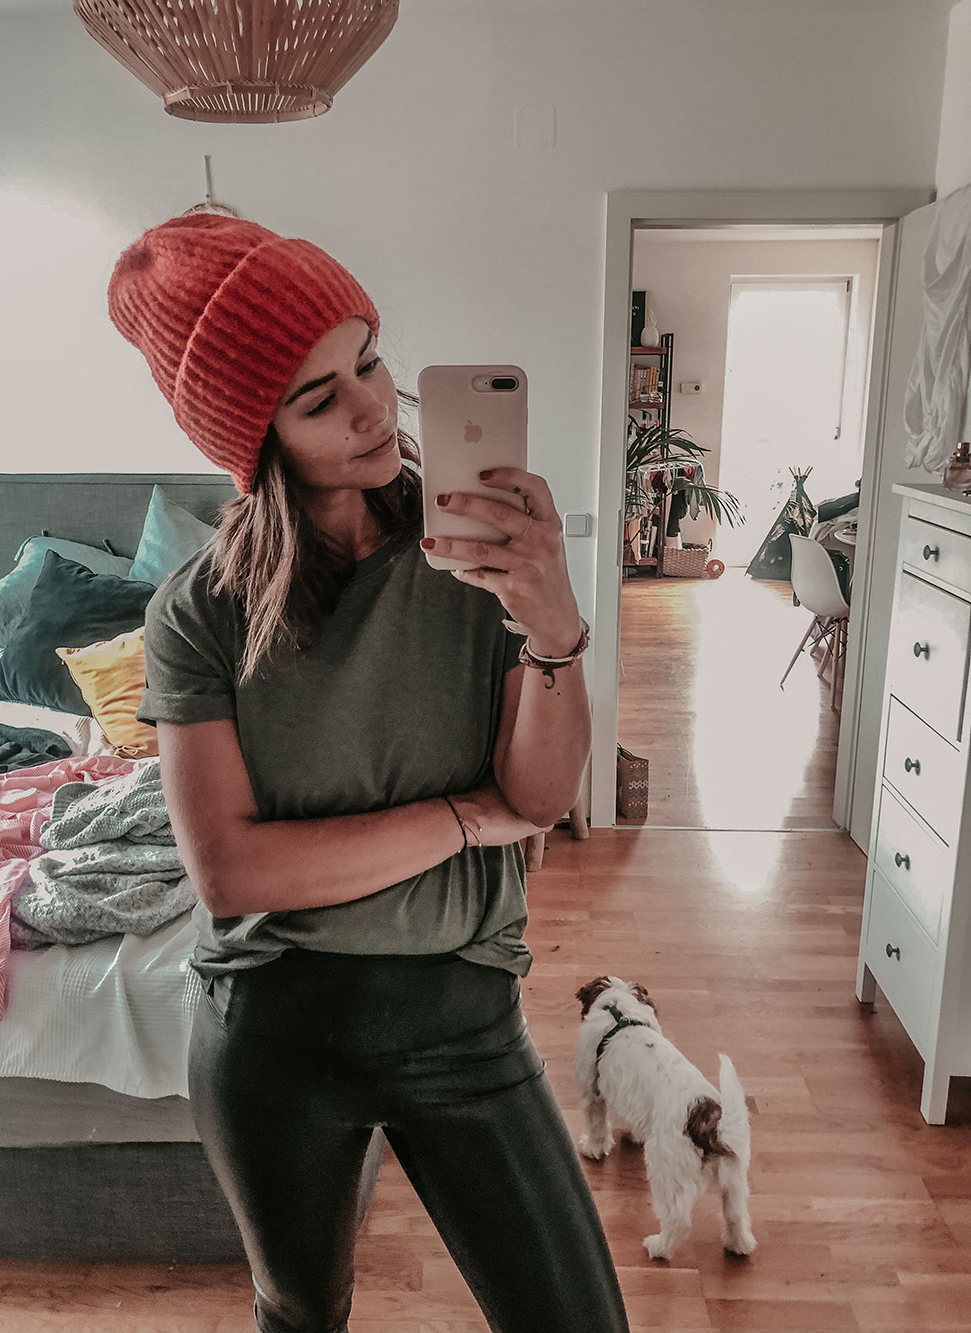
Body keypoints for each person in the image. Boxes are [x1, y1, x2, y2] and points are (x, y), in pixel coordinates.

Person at [109, 211, 629, 1333]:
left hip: (464, 1016)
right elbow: (232, 873)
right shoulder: (198, 613)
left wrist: (552, 626)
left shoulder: (478, 552)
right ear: (256, 438)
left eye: (371, 360)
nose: (372, 408)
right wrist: (458, 817)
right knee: (300, 1317)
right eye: (318, 398)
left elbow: (540, 800)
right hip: (273, 1033)